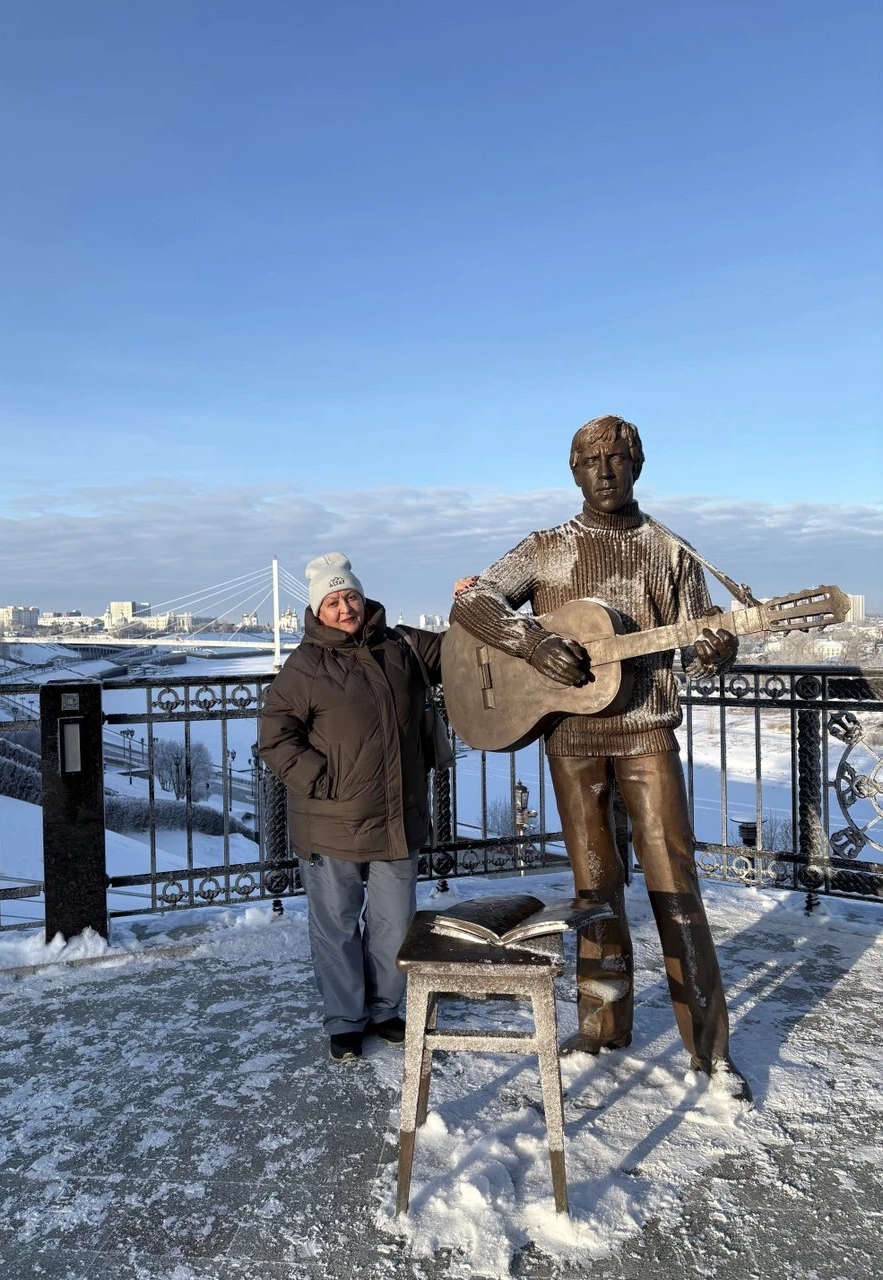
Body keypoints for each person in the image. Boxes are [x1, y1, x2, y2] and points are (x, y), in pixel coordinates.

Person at [450, 415, 753, 1104]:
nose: (605, 471)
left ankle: (710, 1051)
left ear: (638, 465)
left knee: (676, 887)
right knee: (593, 890)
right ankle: (600, 1027)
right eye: (590, 460)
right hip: (573, 738)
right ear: (574, 470)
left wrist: (716, 653)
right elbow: (473, 599)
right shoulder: (548, 548)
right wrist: (529, 643)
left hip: (647, 732)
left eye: (617, 459)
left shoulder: (670, 551)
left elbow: (698, 642)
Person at [259, 552, 446, 1064]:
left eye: (352, 597)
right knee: (337, 925)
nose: (346, 608)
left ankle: (385, 1010)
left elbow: (459, 652)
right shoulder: (304, 666)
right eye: (334, 600)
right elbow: (276, 738)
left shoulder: (402, 646)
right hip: (331, 821)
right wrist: (321, 781)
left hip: (396, 818)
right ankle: (345, 1019)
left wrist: (470, 602)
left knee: (394, 924)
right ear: (318, 610)